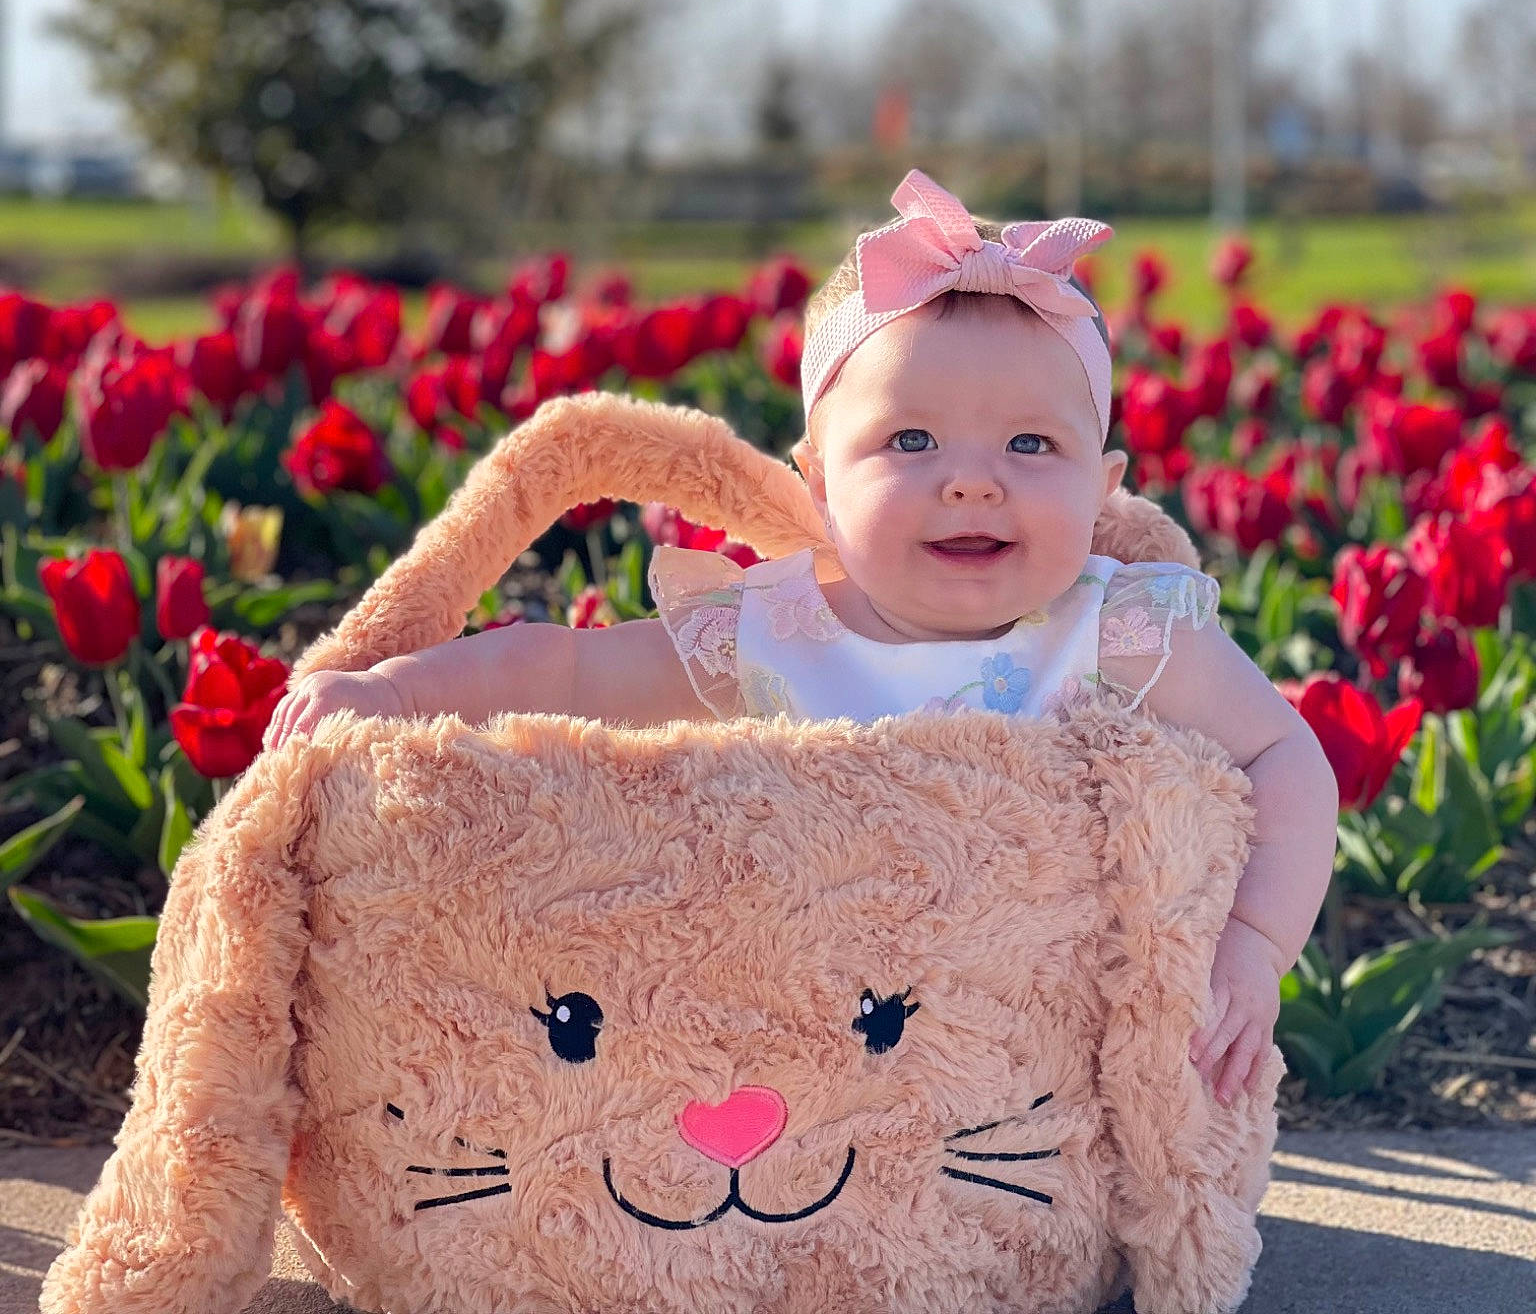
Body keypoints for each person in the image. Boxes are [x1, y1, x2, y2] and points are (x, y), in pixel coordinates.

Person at [264, 169, 1339, 1113]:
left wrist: (1252, 948)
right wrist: (399, 687)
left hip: (1022, 1067)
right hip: (817, 1062)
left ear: (1104, 486)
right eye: (909, 440)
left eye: (1033, 441)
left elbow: (1288, 757)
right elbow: (568, 664)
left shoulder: (1120, 629)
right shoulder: (775, 632)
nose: (974, 477)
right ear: (818, 481)